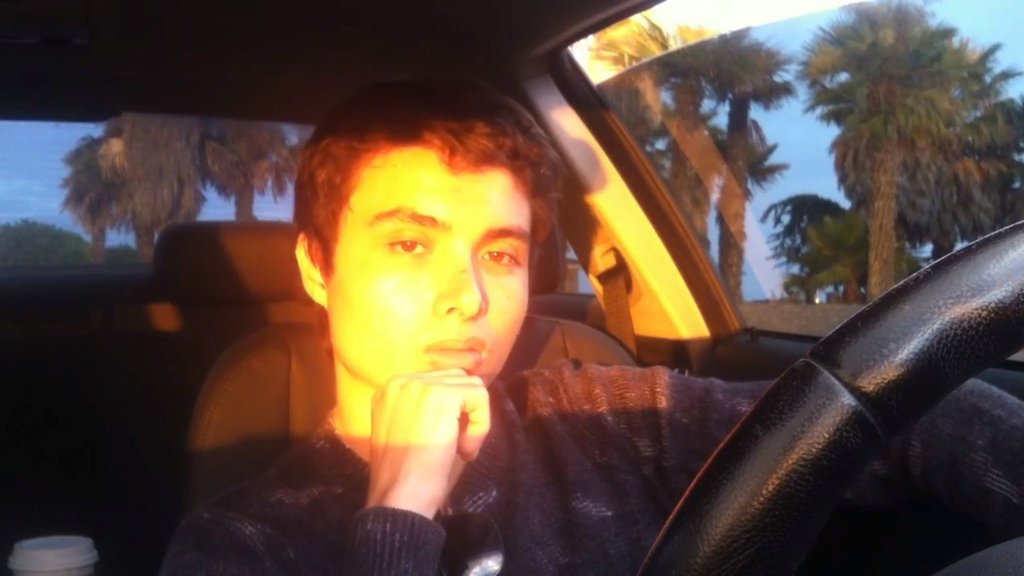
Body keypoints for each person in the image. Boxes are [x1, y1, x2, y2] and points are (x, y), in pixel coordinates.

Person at [160, 78, 1024, 575]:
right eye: (410, 244)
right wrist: (399, 518)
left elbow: (887, 415)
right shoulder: (240, 541)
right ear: (316, 265)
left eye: (500, 254)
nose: (467, 296)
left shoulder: (602, 414)